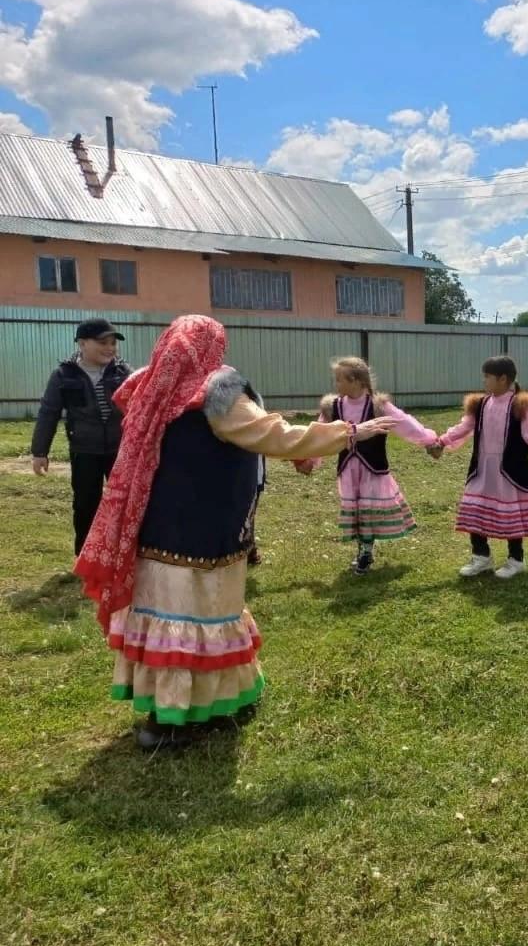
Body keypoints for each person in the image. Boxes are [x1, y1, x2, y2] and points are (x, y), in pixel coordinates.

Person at [73, 315, 394, 750]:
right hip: (207, 529)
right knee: (204, 613)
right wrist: (348, 432)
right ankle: (182, 717)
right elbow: (274, 435)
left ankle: (165, 713)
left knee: (164, 615)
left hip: (156, 526)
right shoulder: (216, 393)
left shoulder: (149, 386)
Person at [297, 357, 437, 575]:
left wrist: (429, 440)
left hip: (373, 469)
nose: (337, 385)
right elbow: (320, 436)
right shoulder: (333, 407)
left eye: (340, 380)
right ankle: (363, 550)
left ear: (356, 381)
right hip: (348, 470)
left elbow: (405, 423)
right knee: (357, 512)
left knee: (368, 513)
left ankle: (365, 552)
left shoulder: (378, 406)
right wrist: (309, 460)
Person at [428, 356, 528, 579]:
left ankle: (516, 559)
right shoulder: (481, 404)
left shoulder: (521, 407)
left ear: (503, 379)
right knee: (475, 510)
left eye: (487, 377)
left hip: (510, 472)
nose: (484, 381)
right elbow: (463, 427)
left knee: (511, 516)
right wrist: (442, 441)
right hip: (482, 470)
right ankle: (481, 557)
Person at [30, 318, 132, 554]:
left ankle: (126, 554)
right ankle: (86, 555)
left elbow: (141, 406)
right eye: (102, 342)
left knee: (125, 503)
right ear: (82, 343)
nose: (110, 348)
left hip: (120, 451)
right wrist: (39, 452)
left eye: (113, 343)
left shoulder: (124, 371)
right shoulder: (64, 375)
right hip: (85, 451)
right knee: (86, 504)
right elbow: (48, 413)